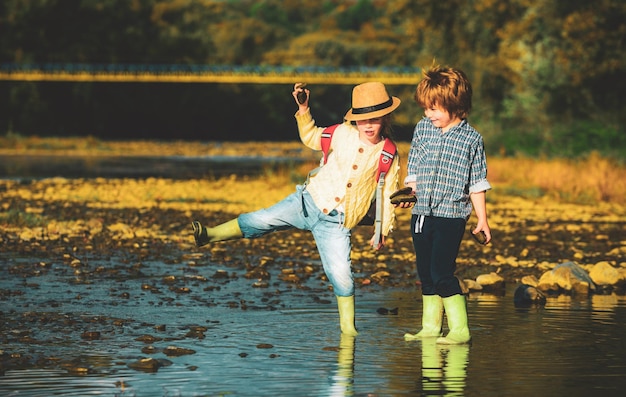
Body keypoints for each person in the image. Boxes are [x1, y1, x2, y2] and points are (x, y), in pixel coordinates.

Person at [192, 81, 402, 336]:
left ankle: (349, 329)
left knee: (342, 275)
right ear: (354, 119)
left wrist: (381, 231)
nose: (368, 125)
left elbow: (388, 194)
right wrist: (303, 108)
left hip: (336, 222)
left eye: (375, 119)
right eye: (363, 119)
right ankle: (210, 235)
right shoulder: (340, 133)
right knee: (262, 219)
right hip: (306, 201)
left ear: (386, 118)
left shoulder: (388, 152)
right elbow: (311, 136)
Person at [398, 65, 492, 344]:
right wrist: (409, 192)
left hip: (451, 216)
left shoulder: (471, 139)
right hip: (421, 214)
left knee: (442, 273)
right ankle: (430, 327)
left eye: (435, 108)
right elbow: (413, 165)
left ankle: (460, 330)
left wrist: (482, 219)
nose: (429, 114)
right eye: (426, 108)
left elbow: (477, 182)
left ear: (456, 105)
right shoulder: (422, 129)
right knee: (425, 274)